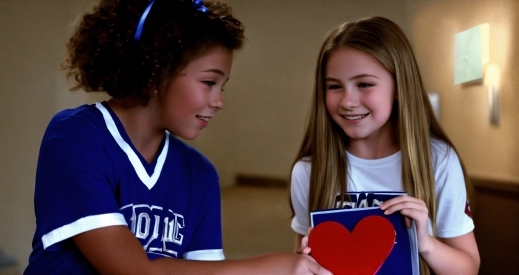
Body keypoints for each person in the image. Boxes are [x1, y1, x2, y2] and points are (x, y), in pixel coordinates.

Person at [24, 0, 331, 274]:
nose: (219, 101)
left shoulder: (200, 174)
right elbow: (133, 270)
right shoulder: (75, 137)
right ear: (156, 73)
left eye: (221, 87)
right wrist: (273, 268)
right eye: (209, 82)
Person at [290, 16, 480, 274]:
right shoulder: (308, 171)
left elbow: (468, 268)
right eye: (335, 86)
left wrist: (426, 244)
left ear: (400, 87)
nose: (347, 101)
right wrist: (304, 262)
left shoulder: (439, 159)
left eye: (364, 84)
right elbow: (301, 260)